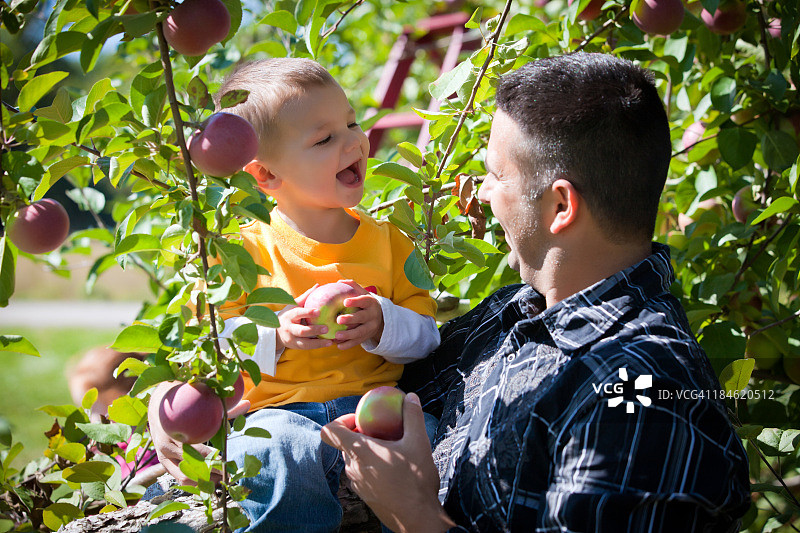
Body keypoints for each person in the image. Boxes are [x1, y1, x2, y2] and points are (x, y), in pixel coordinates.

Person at [321, 52, 751, 532]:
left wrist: (412, 515)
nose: (482, 193)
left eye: (497, 174)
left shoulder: (641, 392)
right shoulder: (508, 313)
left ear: (561, 205)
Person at [147, 58, 440, 531]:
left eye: (352, 122)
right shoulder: (238, 252)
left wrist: (385, 322)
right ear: (264, 176)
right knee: (273, 450)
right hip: (278, 412)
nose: (353, 141)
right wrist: (275, 335)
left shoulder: (391, 242)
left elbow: (427, 335)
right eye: (325, 139)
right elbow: (213, 347)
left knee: (429, 442)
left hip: (371, 406)